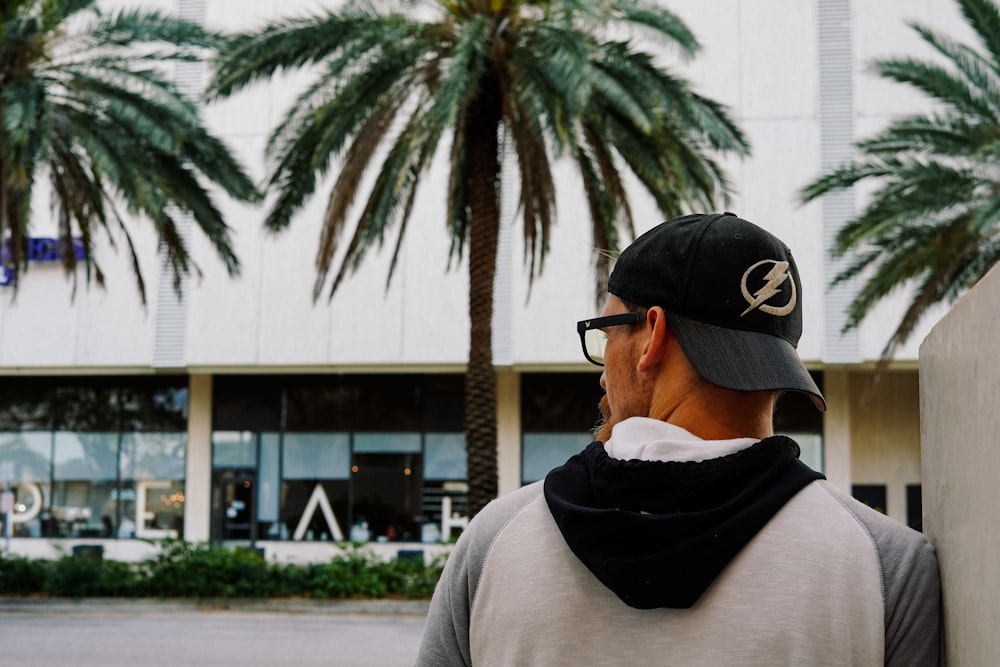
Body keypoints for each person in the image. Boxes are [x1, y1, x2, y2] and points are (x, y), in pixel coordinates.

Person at [416, 212, 942, 666]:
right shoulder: (887, 566)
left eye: (606, 333)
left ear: (651, 336)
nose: (603, 373)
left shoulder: (495, 543)